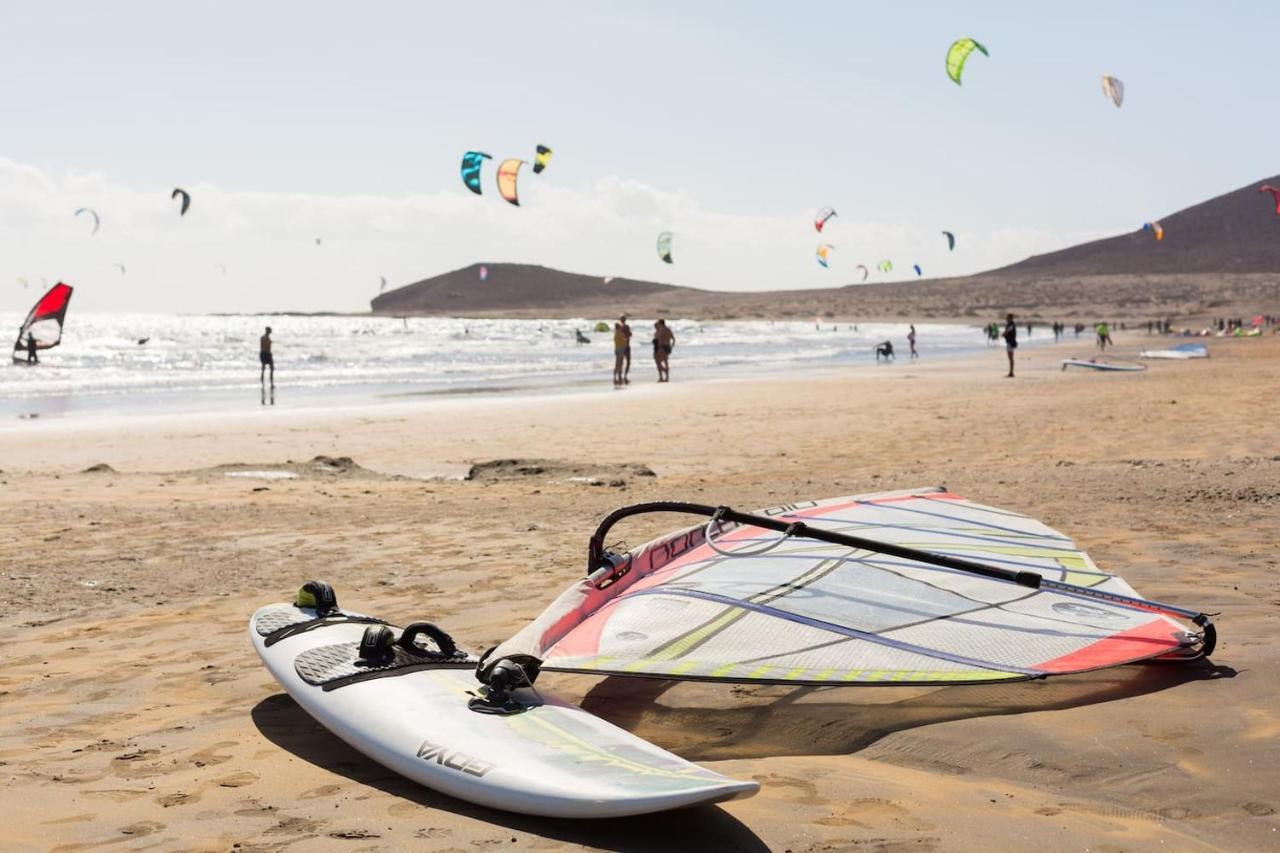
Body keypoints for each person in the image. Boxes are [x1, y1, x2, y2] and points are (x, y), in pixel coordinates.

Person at [612, 315, 632, 385]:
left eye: (624, 319)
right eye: (622, 319)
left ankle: (623, 377)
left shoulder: (624, 327)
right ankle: (619, 377)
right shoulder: (620, 329)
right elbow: (627, 336)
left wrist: (626, 333)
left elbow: (629, 334)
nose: (623, 320)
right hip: (622, 347)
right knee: (620, 363)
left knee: (623, 363)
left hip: (624, 347)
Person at [1003, 313, 1017, 378]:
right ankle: (1011, 372)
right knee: (1010, 358)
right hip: (1010, 342)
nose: (1006, 318)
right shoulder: (1011, 324)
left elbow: (1006, 332)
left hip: (1010, 343)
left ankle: (1011, 372)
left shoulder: (1011, 325)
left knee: (1010, 358)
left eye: (1007, 317)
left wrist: (1004, 334)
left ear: (1010, 318)